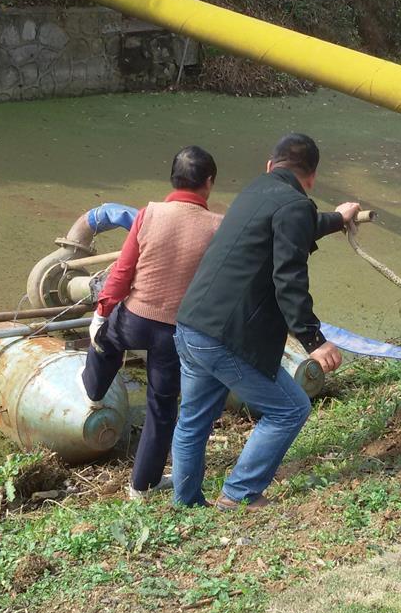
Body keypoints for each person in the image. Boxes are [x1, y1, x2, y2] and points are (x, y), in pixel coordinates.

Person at [171, 133, 360, 510]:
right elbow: (288, 280)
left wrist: (338, 219)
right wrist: (314, 340)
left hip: (192, 324)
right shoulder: (293, 205)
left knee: (193, 420)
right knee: (290, 408)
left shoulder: (257, 191)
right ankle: (239, 493)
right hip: (227, 336)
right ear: (312, 177)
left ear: (270, 166)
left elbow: (297, 223)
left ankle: (186, 503)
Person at [81, 146, 222, 500]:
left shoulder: (150, 214)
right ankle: (141, 486)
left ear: (173, 180)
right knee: (162, 406)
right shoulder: (218, 225)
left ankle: (93, 391)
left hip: (135, 319)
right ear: (209, 183)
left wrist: (101, 314)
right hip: (177, 332)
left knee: (105, 342)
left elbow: (123, 272)